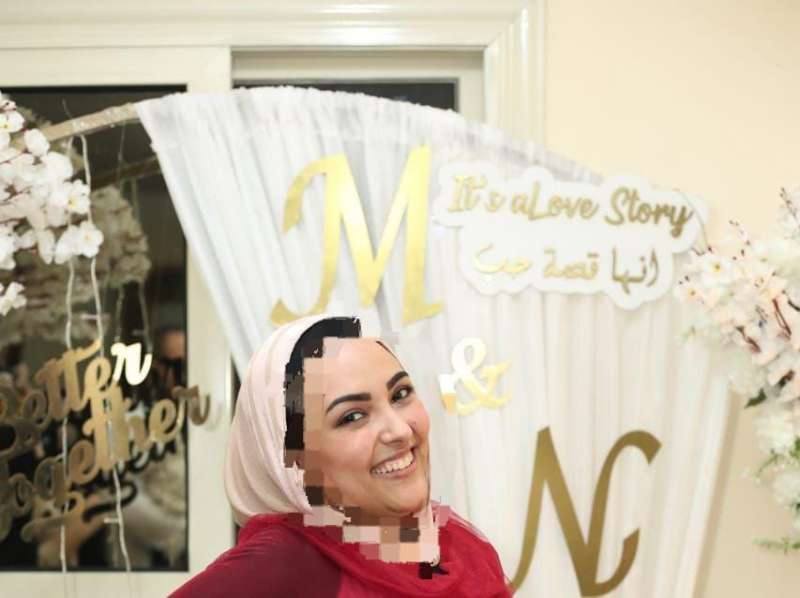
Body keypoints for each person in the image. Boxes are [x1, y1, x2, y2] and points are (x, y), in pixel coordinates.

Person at [170, 315, 511, 597]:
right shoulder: (287, 564)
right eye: (353, 416)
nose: (400, 430)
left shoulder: (457, 549)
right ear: (296, 459)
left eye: (400, 394)